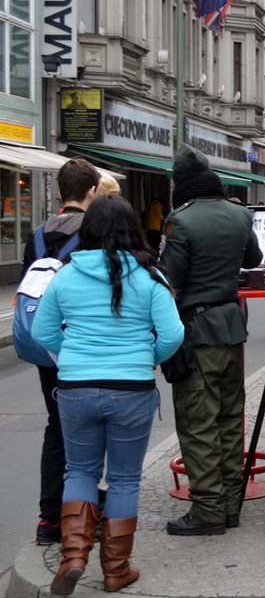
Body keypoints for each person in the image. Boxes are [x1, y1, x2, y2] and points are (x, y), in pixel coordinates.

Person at [31, 195, 184, 595]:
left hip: (76, 390)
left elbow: (42, 333)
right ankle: (116, 569)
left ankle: (74, 556)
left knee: (78, 471)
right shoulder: (151, 277)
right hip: (131, 390)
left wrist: (74, 359)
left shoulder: (65, 275)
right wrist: (144, 358)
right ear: (132, 228)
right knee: (123, 480)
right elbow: (173, 334)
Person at [159, 144, 263, 535]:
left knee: (198, 423)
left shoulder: (179, 222)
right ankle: (230, 505)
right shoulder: (240, 214)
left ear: (180, 183)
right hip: (231, 328)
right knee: (227, 420)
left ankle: (207, 511)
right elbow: (252, 260)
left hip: (195, 333)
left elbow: (171, 281)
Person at [20, 158, 100, 546]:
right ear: (92, 192)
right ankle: (83, 513)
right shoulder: (95, 231)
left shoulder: (37, 233)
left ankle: (49, 518)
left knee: (58, 427)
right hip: (82, 344)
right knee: (87, 429)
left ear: (58, 192)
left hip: (43, 342)